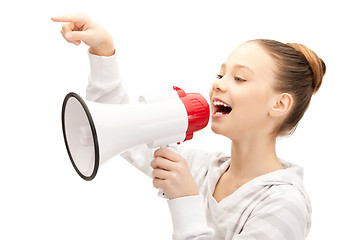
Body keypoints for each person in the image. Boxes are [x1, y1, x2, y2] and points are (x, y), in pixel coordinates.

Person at [52, 13, 326, 240]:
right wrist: (103, 51)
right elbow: (123, 129)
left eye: (240, 78)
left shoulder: (284, 204)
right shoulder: (202, 169)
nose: (218, 83)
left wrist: (185, 200)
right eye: (221, 74)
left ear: (279, 105)